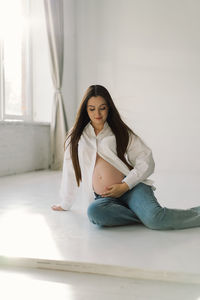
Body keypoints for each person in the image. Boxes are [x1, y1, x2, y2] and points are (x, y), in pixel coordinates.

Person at [52, 84, 200, 230]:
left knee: (155, 220)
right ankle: (144, 216)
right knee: (94, 213)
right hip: (103, 199)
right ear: (85, 110)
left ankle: (155, 216)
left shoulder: (119, 131)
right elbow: (69, 168)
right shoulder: (76, 135)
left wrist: (125, 185)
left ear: (109, 108)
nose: (97, 113)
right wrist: (66, 203)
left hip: (132, 188)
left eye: (102, 108)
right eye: (92, 109)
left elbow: (146, 159)